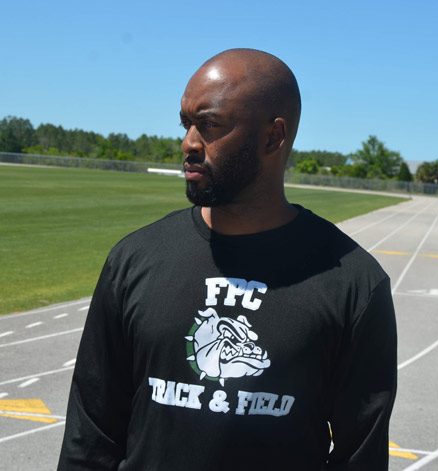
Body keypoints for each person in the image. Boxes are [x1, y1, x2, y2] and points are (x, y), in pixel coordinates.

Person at [58, 48, 397, 470]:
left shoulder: (353, 285)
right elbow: (90, 435)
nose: (188, 143)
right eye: (186, 124)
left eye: (209, 124)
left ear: (273, 136)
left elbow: (359, 457)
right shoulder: (134, 260)